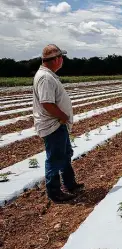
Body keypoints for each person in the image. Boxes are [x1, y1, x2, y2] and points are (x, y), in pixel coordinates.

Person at [33, 44, 83, 202]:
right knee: (55, 159)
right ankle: (54, 193)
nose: (62, 60)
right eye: (61, 57)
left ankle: (70, 184)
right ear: (54, 59)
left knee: (65, 154)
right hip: (53, 125)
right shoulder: (45, 78)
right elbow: (47, 103)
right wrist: (62, 116)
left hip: (58, 124)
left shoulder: (49, 76)